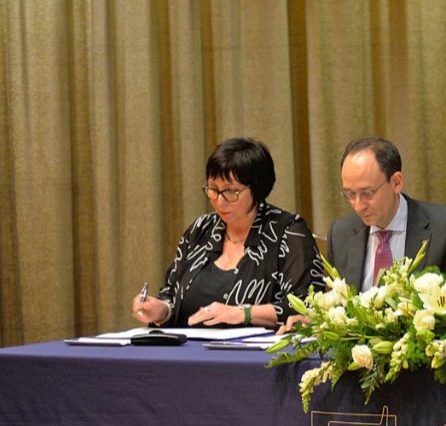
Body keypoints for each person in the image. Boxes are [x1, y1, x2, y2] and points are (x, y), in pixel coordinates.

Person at [132, 137, 323, 328]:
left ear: (257, 189)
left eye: (231, 192)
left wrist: (242, 313)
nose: (219, 201)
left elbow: (307, 308)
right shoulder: (201, 229)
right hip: (190, 352)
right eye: (213, 189)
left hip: (256, 355)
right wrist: (161, 311)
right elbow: (170, 294)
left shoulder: (288, 232)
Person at [328, 136, 446, 289]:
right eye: (350, 194)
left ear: (396, 183)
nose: (358, 206)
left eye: (367, 193)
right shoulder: (340, 234)